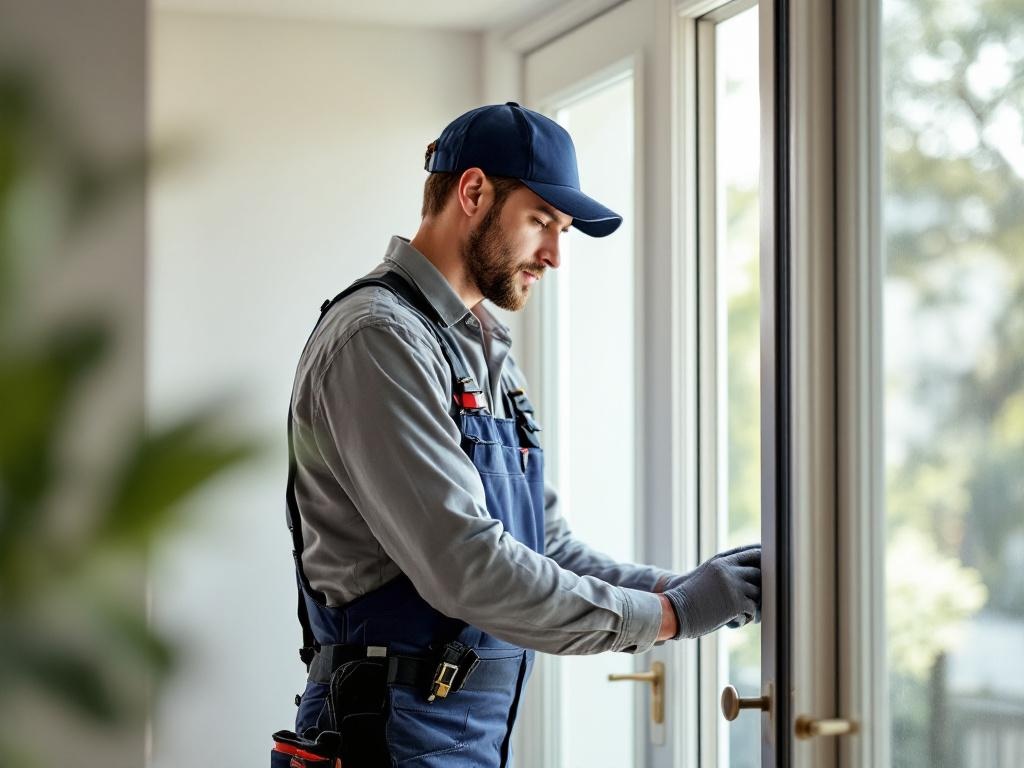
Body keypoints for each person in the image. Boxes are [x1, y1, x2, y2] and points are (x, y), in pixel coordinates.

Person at [272, 102, 762, 768]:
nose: (555, 255)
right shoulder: (379, 339)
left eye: (562, 231)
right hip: (380, 736)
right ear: (473, 192)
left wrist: (692, 590)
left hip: (464, 739)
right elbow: (466, 566)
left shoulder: (485, 350)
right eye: (541, 222)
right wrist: (671, 614)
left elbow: (547, 548)